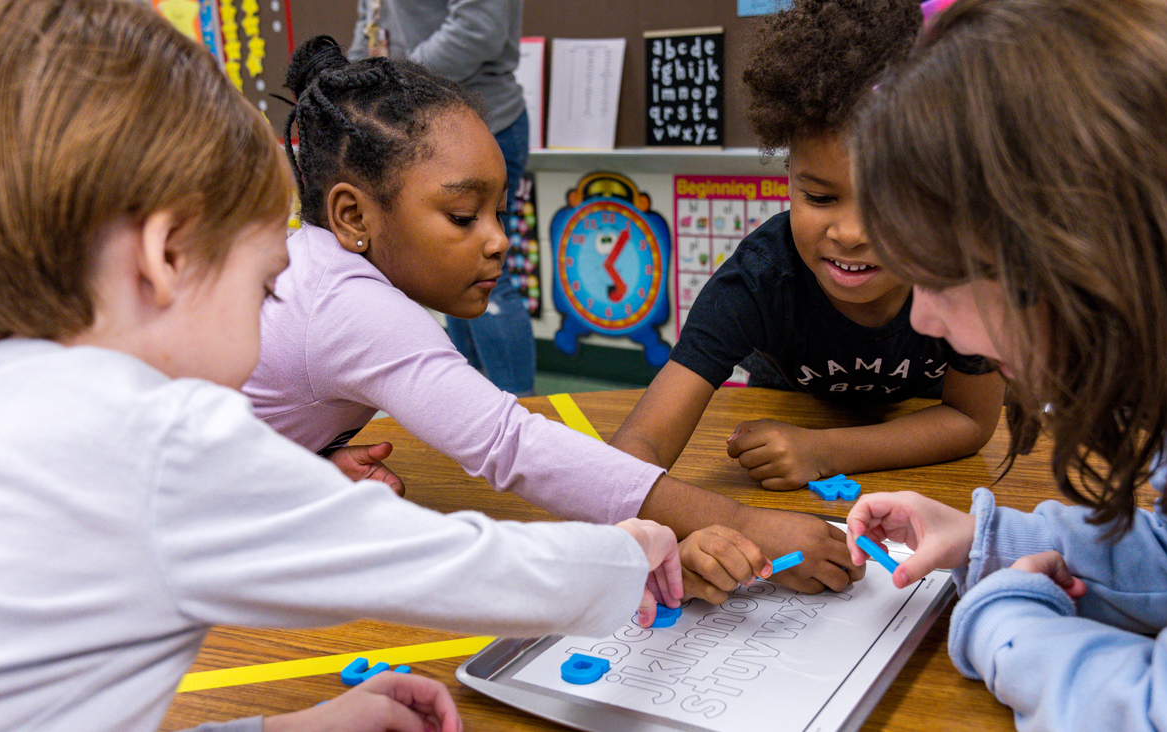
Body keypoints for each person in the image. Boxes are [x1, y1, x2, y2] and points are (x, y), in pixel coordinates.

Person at [0, 1, 687, 729]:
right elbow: (435, 566)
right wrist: (624, 555)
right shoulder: (159, 439)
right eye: (263, 284)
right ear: (165, 259)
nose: (274, 307)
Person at [846, 0, 1167, 729]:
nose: (922, 320)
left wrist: (1005, 622)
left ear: (1065, 252)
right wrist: (991, 543)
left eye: (938, 278)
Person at [243, 36, 860, 595]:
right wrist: (745, 522)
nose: (497, 241)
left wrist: (302, 467)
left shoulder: (316, 271)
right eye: (463, 217)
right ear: (353, 216)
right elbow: (511, 445)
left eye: (499, 214)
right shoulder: (348, 304)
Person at [609, 0, 1005, 491]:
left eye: (889, 202)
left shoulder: (964, 275)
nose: (851, 233)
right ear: (789, 174)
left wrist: (823, 450)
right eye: (819, 196)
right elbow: (638, 447)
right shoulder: (759, 279)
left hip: (919, 458)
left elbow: (970, 421)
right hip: (781, 431)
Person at [350, 0, 536, 396]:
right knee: (448, 270)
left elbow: (479, 26)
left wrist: (392, 86)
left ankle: (521, 411)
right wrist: (349, 91)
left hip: (482, 126)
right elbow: (369, 28)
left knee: (487, 269)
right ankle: (470, 403)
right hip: (409, 133)